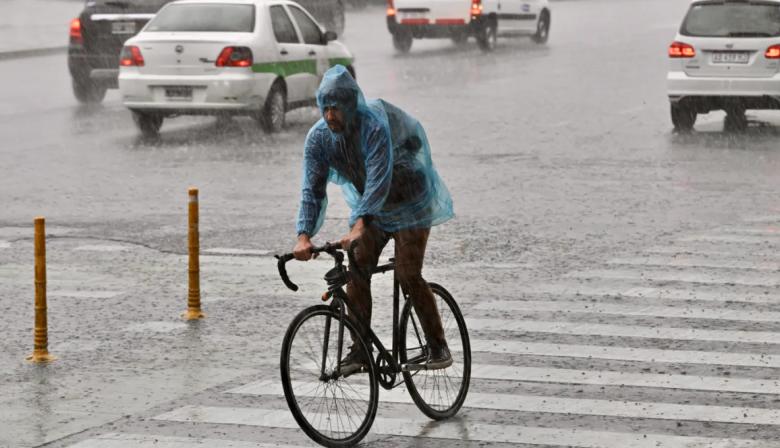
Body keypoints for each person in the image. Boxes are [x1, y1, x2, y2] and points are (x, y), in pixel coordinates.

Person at [292, 65, 455, 373]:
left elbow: (379, 178)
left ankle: (437, 344)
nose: (330, 116)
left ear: (351, 105)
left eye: (336, 109)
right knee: (356, 265)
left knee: (407, 273)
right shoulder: (318, 140)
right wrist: (303, 235)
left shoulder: (373, 126)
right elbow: (311, 190)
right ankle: (360, 348)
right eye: (325, 109)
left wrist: (359, 224)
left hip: (410, 199)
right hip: (375, 209)